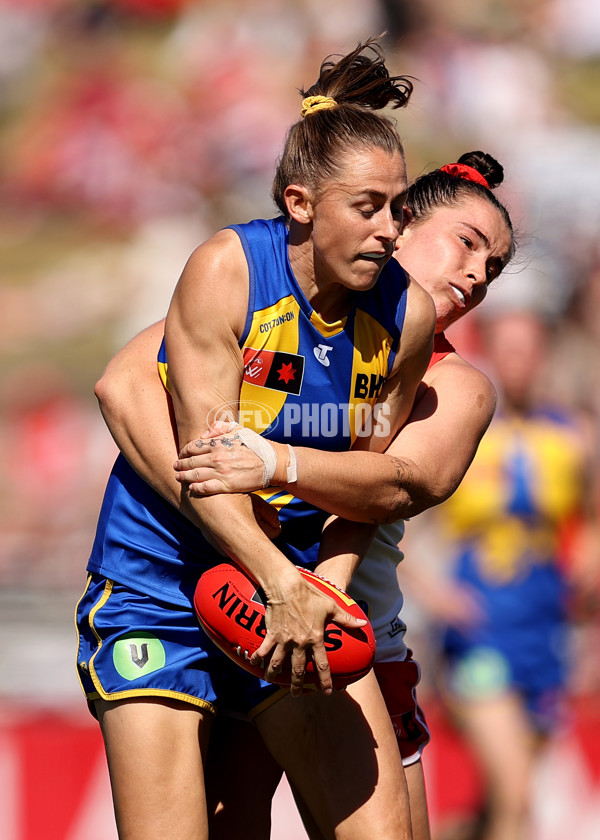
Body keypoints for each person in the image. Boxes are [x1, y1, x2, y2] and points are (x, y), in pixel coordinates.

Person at [94, 149, 515, 839]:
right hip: (238, 602)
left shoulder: (458, 384)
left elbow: (397, 483)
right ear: (395, 226)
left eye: (493, 268)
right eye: (468, 244)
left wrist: (275, 475)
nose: (476, 275)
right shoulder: (268, 297)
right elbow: (128, 381)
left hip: (354, 640)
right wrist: (236, 529)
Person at [76, 38, 438, 840]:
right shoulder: (227, 270)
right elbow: (209, 471)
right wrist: (277, 578)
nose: (391, 230)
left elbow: (362, 489)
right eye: (368, 206)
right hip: (163, 582)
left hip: (293, 593)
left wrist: (321, 596)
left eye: (399, 205)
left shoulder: (406, 318)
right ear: (302, 203)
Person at [418, 307, 599, 840]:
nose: (519, 360)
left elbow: (589, 519)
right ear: (490, 354)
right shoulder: (460, 433)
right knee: (517, 787)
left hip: (545, 627)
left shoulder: (574, 434)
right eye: (508, 348)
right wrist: (436, 593)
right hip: (476, 631)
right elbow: (398, 527)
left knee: (506, 795)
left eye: (530, 348)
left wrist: (589, 555)